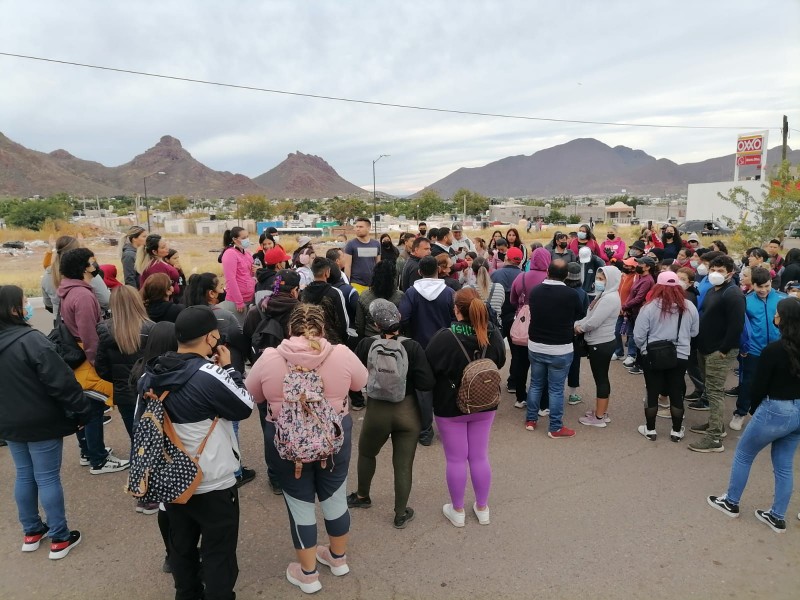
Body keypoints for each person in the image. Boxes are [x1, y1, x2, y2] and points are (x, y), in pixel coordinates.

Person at [245, 304, 368, 594]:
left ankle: (308, 574)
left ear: (290, 329)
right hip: (333, 436)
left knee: (300, 504)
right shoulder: (340, 353)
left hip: (287, 442)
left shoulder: (270, 357)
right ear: (323, 328)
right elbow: (361, 382)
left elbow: (252, 393)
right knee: (335, 496)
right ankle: (338, 559)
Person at [137, 306, 254, 599]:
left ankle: (186, 593)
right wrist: (229, 369)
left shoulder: (149, 374)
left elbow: (142, 423)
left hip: (172, 478)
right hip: (212, 480)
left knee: (181, 546)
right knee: (219, 552)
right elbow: (244, 407)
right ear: (210, 336)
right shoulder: (209, 374)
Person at [0, 285, 90, 560]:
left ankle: (31, 531)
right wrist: (81, 411)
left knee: (25, 474)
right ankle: (60, 537)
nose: (28, 305)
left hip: (10, 422)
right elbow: (61, 382)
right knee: (48, 476)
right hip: (42, 420)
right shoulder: (32, 340)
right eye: (25, 301)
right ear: (14, 308)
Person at [706, 298, 800, 533]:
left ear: (784, 319)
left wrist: (755, 407)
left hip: (775, 408)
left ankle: (731, 502)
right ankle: (777, 515)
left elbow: (758, 386)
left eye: (777, 314)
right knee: (784, 466)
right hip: (798, 412)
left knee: (744, 454)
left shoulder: (773, 350)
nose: (775, 317)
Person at [348, 300, 435, 528]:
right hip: (407, 411)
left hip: (377, 410)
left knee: (367, 453)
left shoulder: (367, 344)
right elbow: (426, 383)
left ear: (376, 324)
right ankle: (400, 513)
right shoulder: (413, 347)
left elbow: (355, 380)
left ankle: (362, 496)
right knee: (403, 464)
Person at [425, 288, 506, 527]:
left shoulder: (445, 336)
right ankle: (482, 507)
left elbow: (429, 369)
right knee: (479, 456)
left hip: (450, 406)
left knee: (456, 459)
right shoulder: (491, 333)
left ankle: (457, 509)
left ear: (456, 310)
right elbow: (499, 360)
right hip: (485, 403)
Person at [57, 248, 126, 475]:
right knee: (94, 407)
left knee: (84, 406)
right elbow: (90, 334)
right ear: (85, 267)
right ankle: (98, 458)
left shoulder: (69, 291)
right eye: (91, 260)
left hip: (76, 355)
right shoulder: (84, 296)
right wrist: (99, 363)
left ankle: (88, 451)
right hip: (88, 357)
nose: (95, 263)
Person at [633, 271, 700, 441]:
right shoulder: (689, 306)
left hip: (653, 355)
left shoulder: (649, 307)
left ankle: (650, 430)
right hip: (680, 355)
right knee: (676, 391)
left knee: (652, 391)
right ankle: (676, 431)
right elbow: (694, 331)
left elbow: (639, 335)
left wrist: (643, 349)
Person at [688, 255, 746, 453]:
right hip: (706, 347)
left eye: (720, 271)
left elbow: (736, 326)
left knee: (714, 392)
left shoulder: (733, 294)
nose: (715, 273)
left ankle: (714, 439)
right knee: (710, 390)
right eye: (713, 269)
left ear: (730, 273)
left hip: (719, 351)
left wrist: (723, 350)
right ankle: (716, 426)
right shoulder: (714, 290)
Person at [524, 261, 586, 437]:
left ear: (547, 272)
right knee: (556, 389)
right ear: (566, 275)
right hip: (561, 348)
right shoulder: (571, 294)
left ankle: (531, 419)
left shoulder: (535, 291)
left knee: (536, 384)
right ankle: (555, 427)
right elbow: (579, 314)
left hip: (536, 344)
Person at [399, 256, 456, 446]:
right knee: (445, 387)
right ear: (438, 270)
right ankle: (448, 430)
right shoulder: (449, 292)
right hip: (445, 347)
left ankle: (425, 431)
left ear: (419, 272)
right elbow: (455, 319)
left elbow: (403, 318)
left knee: (423, 390)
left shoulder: (411, 292)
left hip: (419, 347)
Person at [95, 285, 155, 442]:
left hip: (123, 393)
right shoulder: (151, 328)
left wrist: (118, 380)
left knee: (135, 437)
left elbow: (101, 367)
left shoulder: (105, 330)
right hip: (149, 391)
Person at [730, 267, 786, 431]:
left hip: (778, 350)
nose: (763, 290)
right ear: (752, 284)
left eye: (767, 286)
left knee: (775, 384)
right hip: (753, 350)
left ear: (771, 283)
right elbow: (741, 327)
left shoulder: (782, 299)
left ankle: (770, 415)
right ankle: (740, 413)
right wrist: (743, 346)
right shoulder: (746, 300)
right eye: (759, 286)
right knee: (748, 383)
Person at [576, 266, 622, 427]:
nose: (598, 281)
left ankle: (599, 417)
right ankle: (600, 411)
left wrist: (579, 328)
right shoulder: (604, 295)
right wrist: (579, 323)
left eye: (602, 279)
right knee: (601, 378)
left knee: (601, 379)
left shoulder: (610, 298)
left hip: (601, 343)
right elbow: (590, 316)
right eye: (598, 278)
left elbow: (594, 322)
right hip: (600, 342)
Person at [508, 247, 551, 408]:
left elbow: (512, 299)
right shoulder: (549, 278)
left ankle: (520, 397)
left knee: (520, 362)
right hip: (542, 325)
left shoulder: (522, 277)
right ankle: (541, 402)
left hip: (522, 323)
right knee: (541, 365)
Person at [41, 236, 110, 315]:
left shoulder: (48, 274)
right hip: (90, 318)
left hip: (62, 322)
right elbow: (105, 301)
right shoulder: (87, 272)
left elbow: (48, 304)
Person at [490, 246, 523, 391]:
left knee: (491, 349)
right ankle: (513, 383)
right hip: (515, 316)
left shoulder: (497, 274)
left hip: (497, 315)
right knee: (516, 352)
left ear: (507, 258)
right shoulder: (523, 275)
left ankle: (487, 379)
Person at [621, 256, 657, 374]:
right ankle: (636, 359)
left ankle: (641, 364)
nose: (638, 266)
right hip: (634, 311)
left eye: (641, 264)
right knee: (633, 335)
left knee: (639, 338)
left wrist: (625, 306)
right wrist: (627, 306)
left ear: (648, 267)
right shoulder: (640, 277)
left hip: (640, 313)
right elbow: (633, 295)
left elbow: (639, 298)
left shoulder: (647, 280)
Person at [300, 258, 348, 345]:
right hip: (331, 343)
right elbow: (343, 323)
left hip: (310, 341)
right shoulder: (335, 293)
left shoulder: (303, 293)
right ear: (327, 272)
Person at [355, 260, 404, 338]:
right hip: (394, 340)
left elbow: (359, 325)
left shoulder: (364, 296)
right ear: (394, 277)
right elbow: (403, 322)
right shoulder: (400, 296)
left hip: (370, 338)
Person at [220, 227, 256, 320]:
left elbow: (249, 275)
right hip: (236, 301)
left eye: (247, 237)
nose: (246, 240)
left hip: (249, 298)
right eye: (243, 238)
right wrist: (239, 301)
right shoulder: (230, 254)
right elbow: (230, 279)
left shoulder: (247, 254)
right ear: (235, 240)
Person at [343, 217, 381, 294]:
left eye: (361, 227)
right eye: (356, 227)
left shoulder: (376, 244)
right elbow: (347, 266)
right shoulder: (351, 244)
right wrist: (347, 284)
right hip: (356, 284)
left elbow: (378, 264)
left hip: (373, 285)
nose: (357, 229)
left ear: (368, 228)